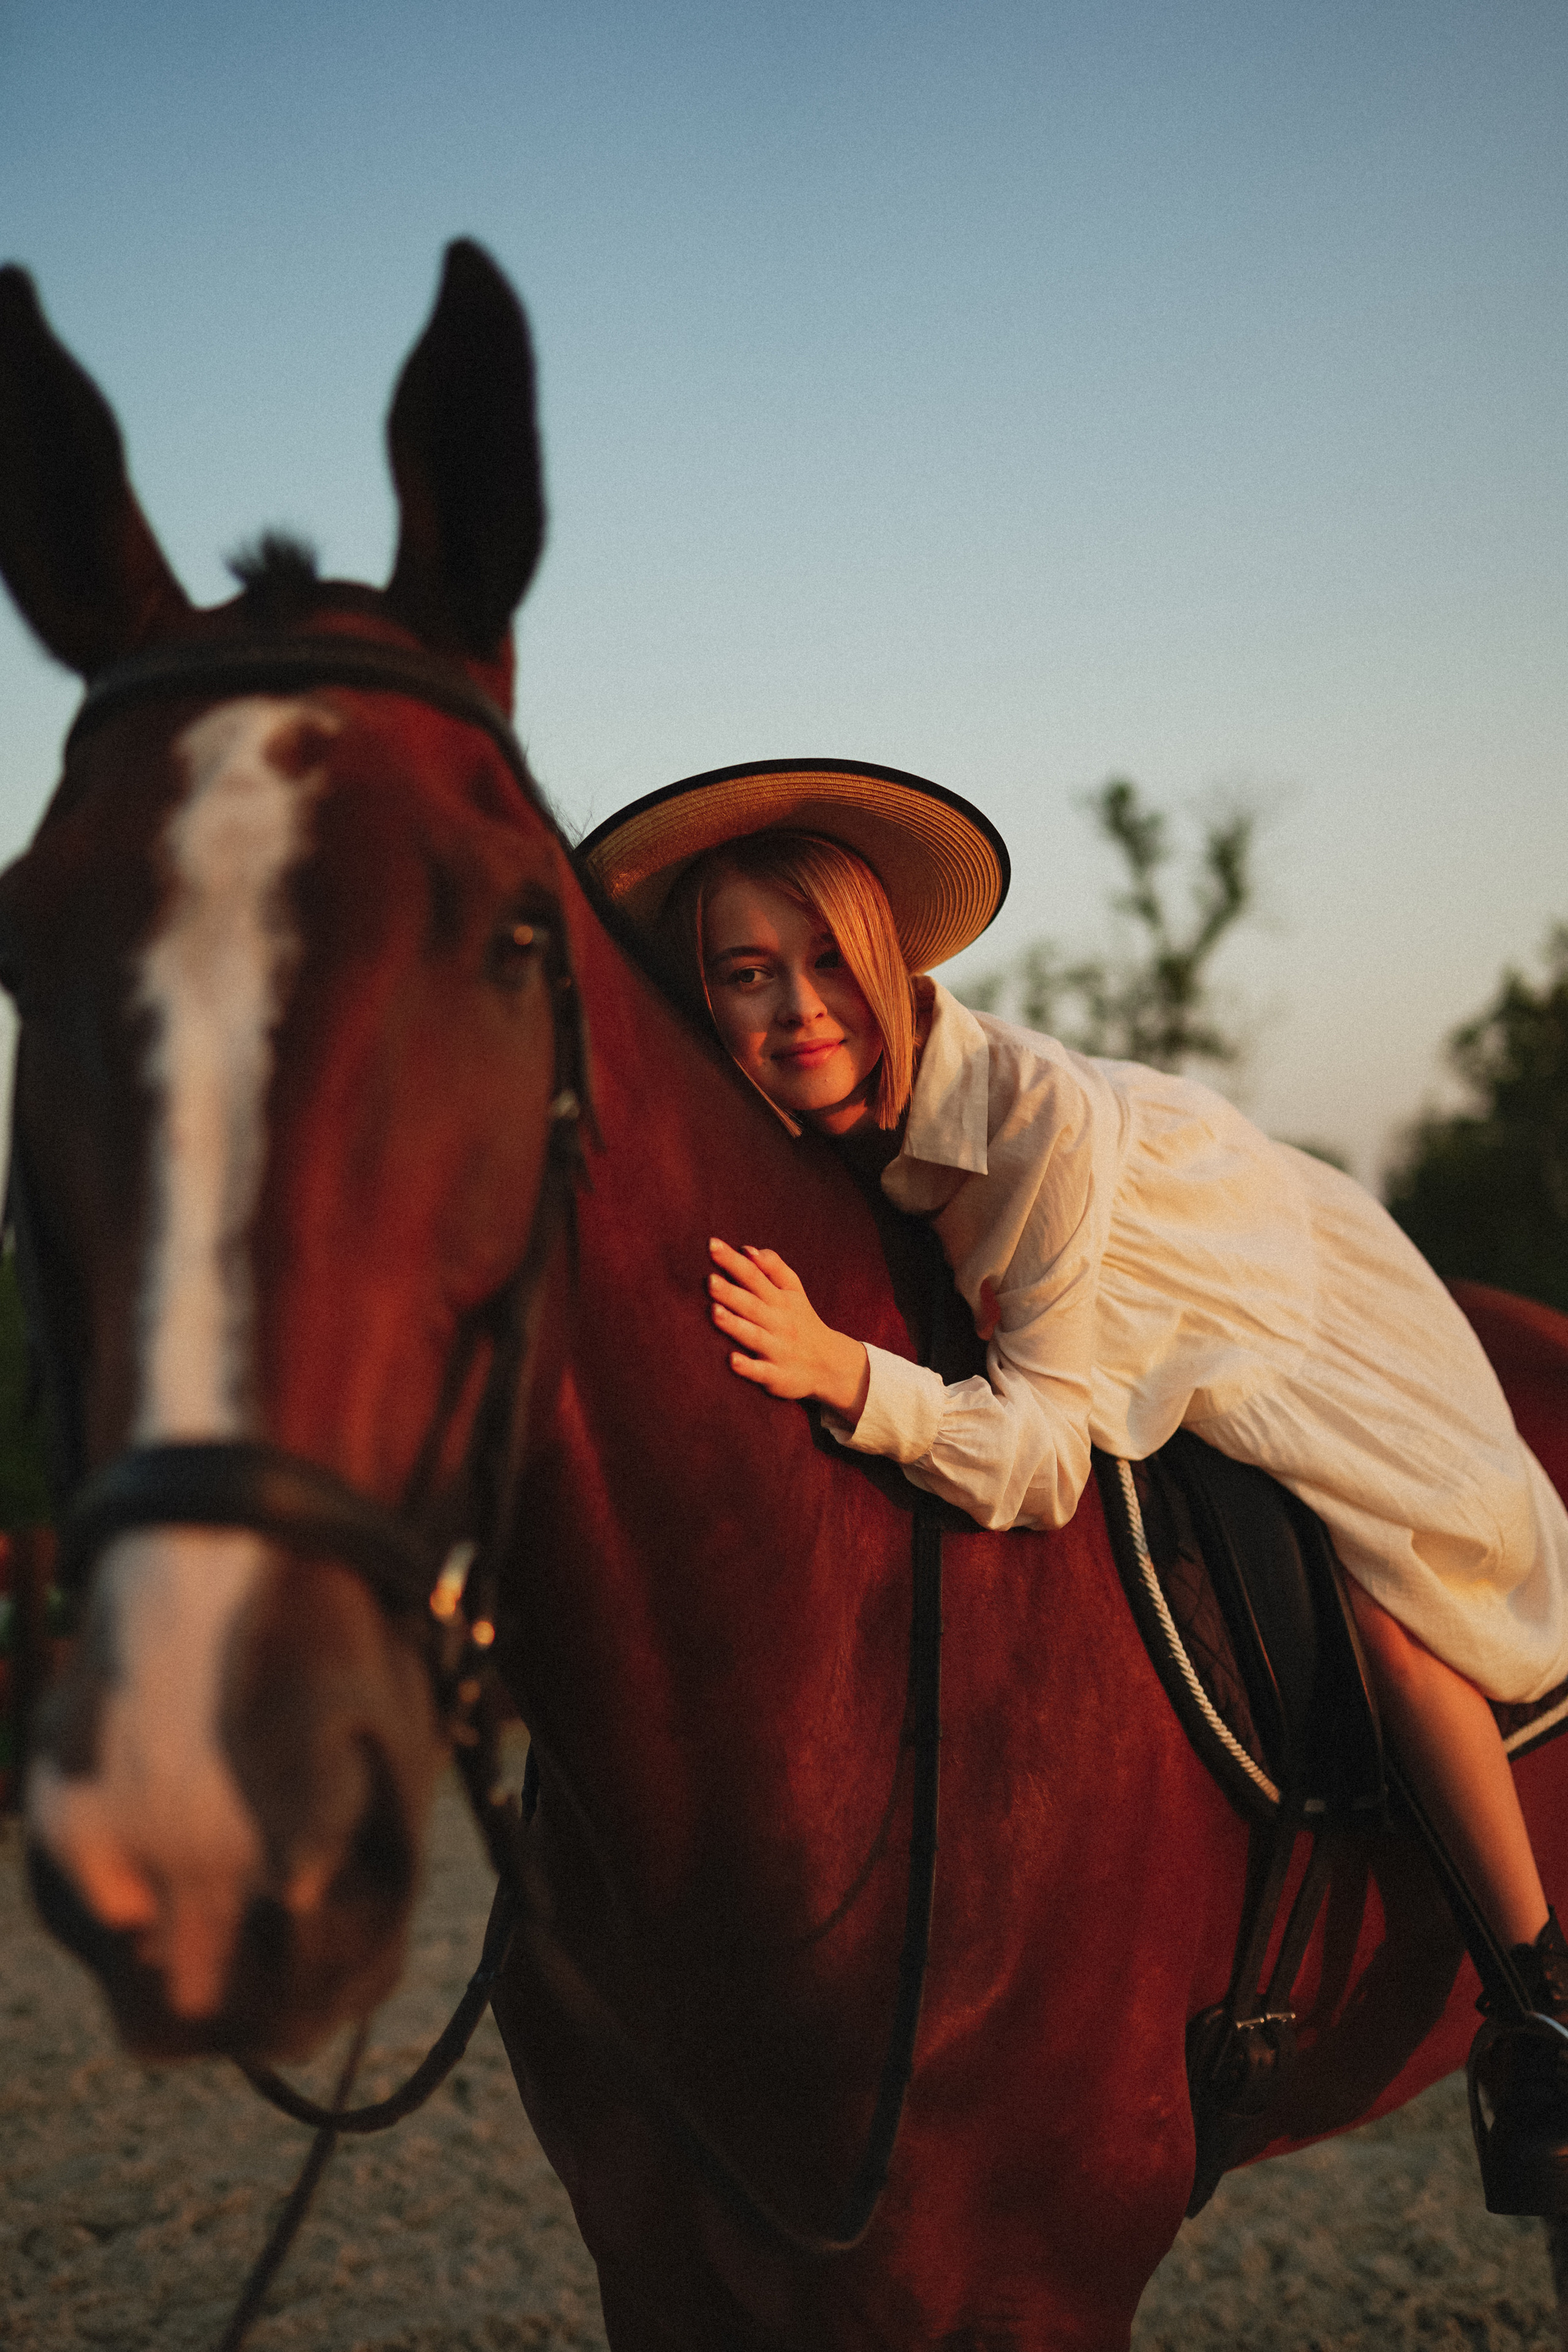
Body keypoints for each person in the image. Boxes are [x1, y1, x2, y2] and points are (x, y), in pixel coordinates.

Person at [580, 757, 1568, 2211]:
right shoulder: (806, 1133)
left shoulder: (1029, 1124)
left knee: (1398, 1594)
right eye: (746, 973)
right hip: (1122, 1279)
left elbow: (1041, 1458)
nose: (798, 1008)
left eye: (827, 964)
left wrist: (842, 1372)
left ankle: (1535, 1992)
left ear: (889, 966)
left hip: (1263, 1284)